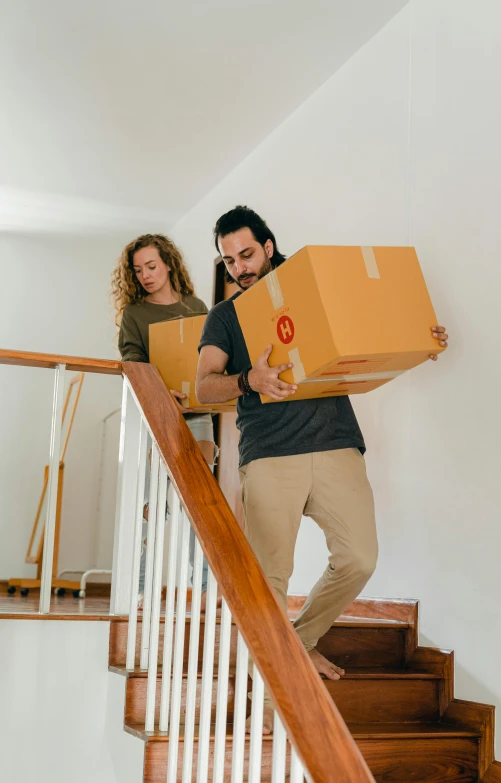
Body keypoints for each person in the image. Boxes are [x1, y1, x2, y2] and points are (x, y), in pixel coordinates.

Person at [196, 206, 448, 730]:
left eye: (246, 254)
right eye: (229, 261)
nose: (240, 267)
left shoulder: (312, 288)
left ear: (268, 246)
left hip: (335, 443)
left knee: (359, 557)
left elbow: (371, 327)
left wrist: (419, 337)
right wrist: (250, 381)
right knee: (269, 579)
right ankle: (274, 707)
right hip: (268, 453)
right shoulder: (226, 316)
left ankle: (299, 640)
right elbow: (204, 386)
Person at [111, 233, 217, 610]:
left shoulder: (197, 306)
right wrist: (159, 393)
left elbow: (209, 360)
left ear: (169, 263)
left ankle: (205, 589)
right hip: (156, 415)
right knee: (154, 506)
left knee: (197, 501)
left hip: (198, 416)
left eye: (151, 266)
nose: (145, 275)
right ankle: (138, 591)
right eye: (138, 270)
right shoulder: (135, 314)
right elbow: (132, 362)